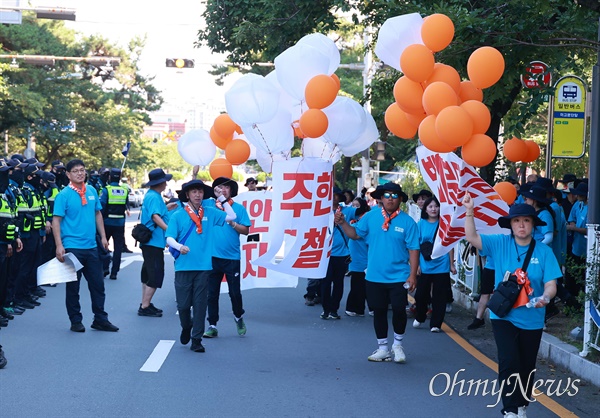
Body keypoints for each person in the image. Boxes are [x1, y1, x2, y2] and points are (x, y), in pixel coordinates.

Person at [462, 194, 559, 418]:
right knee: (508, 361)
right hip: (503, 315)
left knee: (526, 365)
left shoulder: (544, 252)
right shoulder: (499, 243)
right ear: (511, 225)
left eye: (526, 220)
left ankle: (522, 404)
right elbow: (472, 237)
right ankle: (510, 409)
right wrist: (469, 211)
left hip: (532, 318)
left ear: (533, 224)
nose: (521, 225)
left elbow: (551, 284)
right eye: (517, 221)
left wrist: (545, 297)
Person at [335, 182, 419, 363]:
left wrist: (412, 274)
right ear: (381, 198)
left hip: (398, 275)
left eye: (394, 196)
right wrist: (342, 223)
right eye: (386, 195)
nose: (390, 199)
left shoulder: (408, 222)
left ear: (401, 199)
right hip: (374, 274)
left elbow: (413, 249)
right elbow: (355, 234)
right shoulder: (371, 216)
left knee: (398, 309)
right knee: (379, 310)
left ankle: (397, 345)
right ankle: (383, 348)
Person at [166, 180, 236, 352]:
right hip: (183, 266)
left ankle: (196, 339)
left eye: (200, 192)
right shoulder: (178, 215)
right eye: (194, 192)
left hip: (204, 267)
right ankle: (186, 326)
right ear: (187, 195)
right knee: (183, 306)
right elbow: (169, 238)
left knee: (200, 304)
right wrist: (179, 247)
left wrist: (222, 198)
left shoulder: (210, 212)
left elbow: (232, 216)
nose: (198, 195)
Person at [52, 159, 119, 333]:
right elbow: (56, 221)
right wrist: (59, 245)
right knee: (73, 287)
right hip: (72, 247)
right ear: (68, 174)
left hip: (91, 246)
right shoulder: (63, 195)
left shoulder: (91, 191)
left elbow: (97, 214)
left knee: (98, 285)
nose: (80, 173)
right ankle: (75, 320)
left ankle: (100, 319)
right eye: (75, 171)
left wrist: (103, 236)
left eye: (82, 170)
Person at [203, 177, 251, 338]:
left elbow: (246, 230)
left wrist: (233, 224)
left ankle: (238, 316)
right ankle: (212, 324)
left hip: (231, 257)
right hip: (212, 256)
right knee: (212, 293)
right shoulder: (209, 205)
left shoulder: (238, 209)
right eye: (219, 188)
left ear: (231, 191)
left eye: (226, 188)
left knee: (234, 293)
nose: (222, 190)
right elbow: (194, 197)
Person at [413, 196, 456, 332]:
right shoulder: (420, 224)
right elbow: (416, 246)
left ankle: (436, 324)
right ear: (425, 209)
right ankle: (420, 316)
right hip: (425, 265)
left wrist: (451, 264)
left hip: (441, 265)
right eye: (430, 206)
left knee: (439, 296)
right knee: (420, 295)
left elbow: (449, 246)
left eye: (436, 206)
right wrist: (417, 265)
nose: (433, 209)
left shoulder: (445, 224)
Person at [139, 168, 178, 317]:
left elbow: (155, 213)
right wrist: (169, 232)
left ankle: (145, 303)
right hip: (154, 242)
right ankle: (145, 306)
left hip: (149, 242)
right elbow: (155, 217)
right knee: (155, 275)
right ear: (160, 183)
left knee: (147, 274)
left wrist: (166, 208)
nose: (166, 184)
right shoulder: (155, 197)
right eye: (165, 181)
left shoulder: (151, 195)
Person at [319, 187, 354, 320]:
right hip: (325, 253)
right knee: (325, 282)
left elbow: (363, 212)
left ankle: (334, 309)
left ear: (340, 197)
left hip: (342, 254)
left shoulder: (348, 211)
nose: (333, 197)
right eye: (330, 195)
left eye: (335, 195)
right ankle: (325, 309)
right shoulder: (321, 211)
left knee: (338, 282)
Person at [99, 168, 130, 280]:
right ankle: (114, 273)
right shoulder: (125, 190)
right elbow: (125, 205)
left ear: (110, 177)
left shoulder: (106, 190)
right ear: (120, 178)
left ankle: (105, 268)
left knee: (104, 246)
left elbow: (102, 206)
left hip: (107, 223)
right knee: (118, 248)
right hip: (120, 224)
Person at [344, 197, 371, 317]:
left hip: (366, 258)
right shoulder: (351, 221)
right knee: (357, 285)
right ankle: (355, 308)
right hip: (355, 259)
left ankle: (363, 308)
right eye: (353, 205)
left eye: (357, 205)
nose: (354, 208)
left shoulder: (365, 221)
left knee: (366, 286)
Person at [566, 182, 588, 298]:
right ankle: (572, 301)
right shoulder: (577, 205)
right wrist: (572, 225)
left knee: (584, 277)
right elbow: (572, 218)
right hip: (576, 246)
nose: (577, 196)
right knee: (571, 277)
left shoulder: (592, 208)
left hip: (586, 248)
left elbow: (591, 230)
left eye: (580, 194)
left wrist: (574, 228)